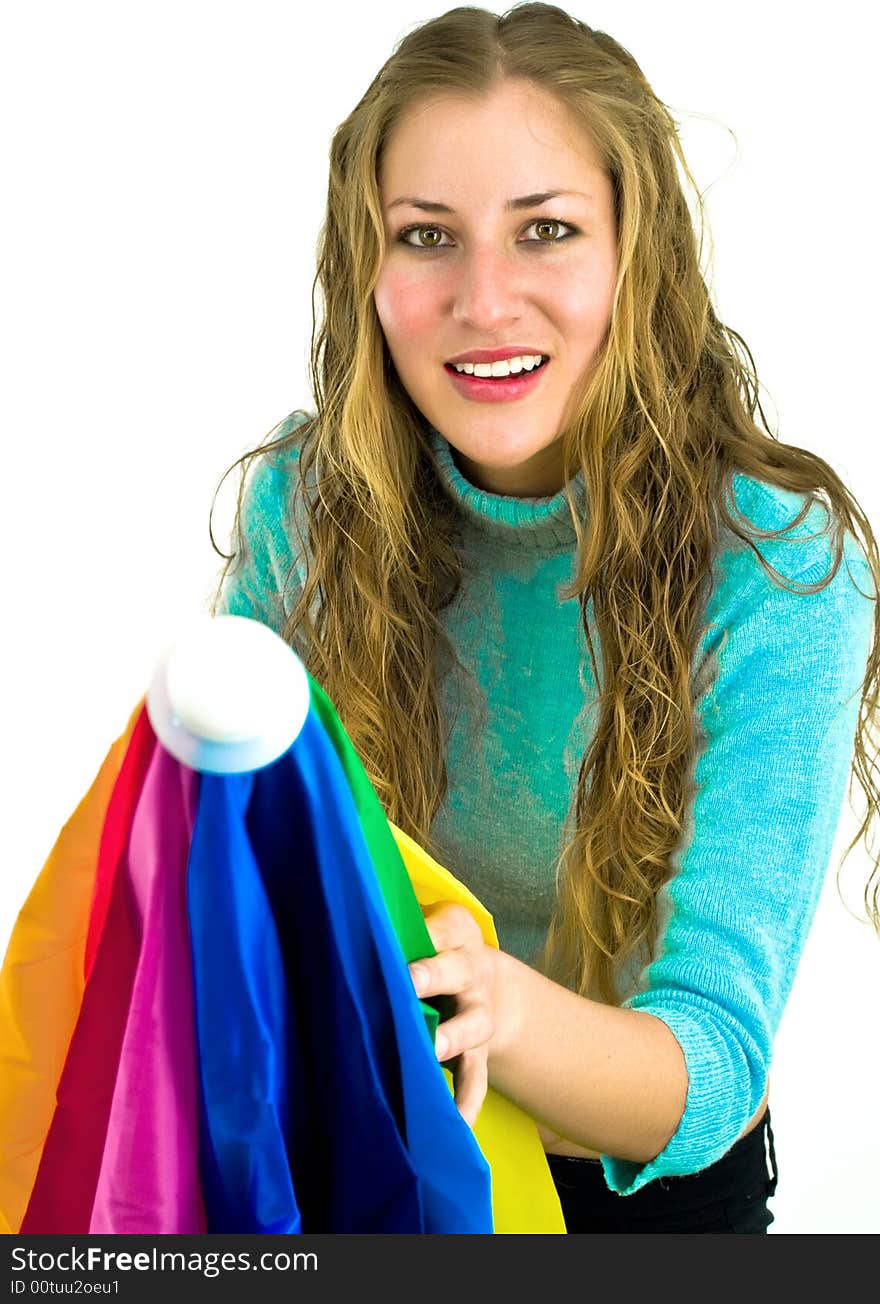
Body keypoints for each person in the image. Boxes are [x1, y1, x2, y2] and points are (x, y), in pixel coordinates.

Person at [209, 2, 880, 1233]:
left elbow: (711, 1062)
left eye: (547, 231)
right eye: (426, 237)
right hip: (367, 1155)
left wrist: (490, 1011)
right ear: (366, 270)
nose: (484, 298)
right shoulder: (303, 508)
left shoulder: (779, 563)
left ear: (640, 252)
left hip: (647, 1200)